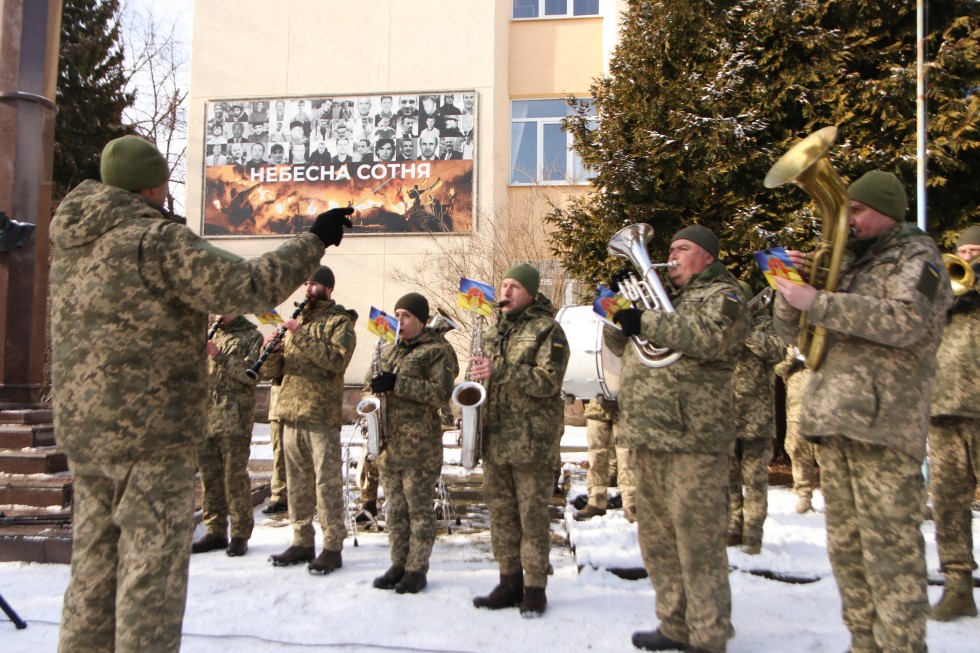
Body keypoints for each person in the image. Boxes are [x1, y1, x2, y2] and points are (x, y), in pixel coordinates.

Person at [49, 134, 353, 652]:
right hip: (151, 436)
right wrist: (314, 240)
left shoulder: (73, 242)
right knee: (151, 575)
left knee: (93, 569)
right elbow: (246, 285)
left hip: (86, 433)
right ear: (154, 186)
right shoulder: (153, 240)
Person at [773, 170, 952, 653]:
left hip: (885, 427)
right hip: (834, 422)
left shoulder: (920, 258)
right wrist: (790, 288)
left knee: (891, 555)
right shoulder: (847, 262)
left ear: (888, 211)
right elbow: (792, 334)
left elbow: (905, 321)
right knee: (848, 553)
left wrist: (822, 300)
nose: (847, 219)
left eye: (858, 210)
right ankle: (863, 644)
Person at [605, 224, 748, 653]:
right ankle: (673, 623)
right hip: (648, 433)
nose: (670, 256)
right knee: (658, 540)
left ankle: (708, 634)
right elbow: (619, 342)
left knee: (698, 542)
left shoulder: (726, 294)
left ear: (706, 255)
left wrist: (645, 317)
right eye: (668, 248)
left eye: (682, 248)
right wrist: (620, 306)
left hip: (694, 439)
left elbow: (710, 338)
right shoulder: (670, 300)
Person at [469, 264, 570, 618]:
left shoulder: (549, 330)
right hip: (496, 439)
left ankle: (535, 588)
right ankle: (508, 581)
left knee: (531, 517)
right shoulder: (493, 331)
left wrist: (501, 371)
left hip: (532, 443)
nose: (505, 292)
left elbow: (549, 382)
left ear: (530, 292)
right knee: (501, 516)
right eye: (503, 285)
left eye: (514, 286)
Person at [262, 266, 358, 575]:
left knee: (326, 484)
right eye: (306, 282)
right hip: (290, 414)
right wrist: (272, 350)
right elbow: (273, 373)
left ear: (328, 288)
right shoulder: (297, 322)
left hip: (320, 416)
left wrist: (300, 335)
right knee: (297, 484)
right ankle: (302, 540)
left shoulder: (339, 323)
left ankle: (332, 546)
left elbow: (335, 362)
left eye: (314, 283)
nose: (308, 288)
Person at [367, 293, 459, 594]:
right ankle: (398, 563)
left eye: (406, 315)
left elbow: (440, 394)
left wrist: (398, 384)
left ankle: (417, 569)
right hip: (390, 445)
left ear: (420, 319)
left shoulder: (438, 350)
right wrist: (377, 374)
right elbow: (374, 380)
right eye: (397, 314)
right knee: (394, 509)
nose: (400, 320)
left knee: (419, 511)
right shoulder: (391, 347)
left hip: (420, 447)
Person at [928, 224, 980, 621]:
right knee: (948, 502)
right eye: (964, 250)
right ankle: (958, 586)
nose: (968, 257)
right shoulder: (944, 289)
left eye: (976, 250)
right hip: (944, 408)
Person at [192, 314, 264, 558]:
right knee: (210, 479)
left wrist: (219, 355)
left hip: (234, 419)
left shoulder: (252, 336)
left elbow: (250, 374)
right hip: (205, 418)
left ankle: (240, 533)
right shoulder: (212, 333)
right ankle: (215, 530)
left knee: (234, 479)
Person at [727, 284, 784, 555]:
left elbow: (778, 351)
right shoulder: (720, 326)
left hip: (757, 419)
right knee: (729, 479)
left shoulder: (764, 324)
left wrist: (745, 330)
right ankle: (732, 528)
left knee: (755, 481)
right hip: (725, 417)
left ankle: (753, 534)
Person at [573, 397, 637, 523]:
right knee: (596, 455)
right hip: (597, 403)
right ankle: (595, 501)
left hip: (625, 402)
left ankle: (631, 504)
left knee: (627, 454)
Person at [773, 345, 819, 514]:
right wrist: (792, 355)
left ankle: (833, 495)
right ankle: (804, 495)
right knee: (799, 451)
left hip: (825, 405)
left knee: (828, 453)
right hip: (797, 408)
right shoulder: (790, 343)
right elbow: (778, 369)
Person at [261, 376, 289, 515]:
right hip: (280, 402)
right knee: (279, 453)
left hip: (308, 404)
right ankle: (279, 496)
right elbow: (266, 372)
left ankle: (309, 494)